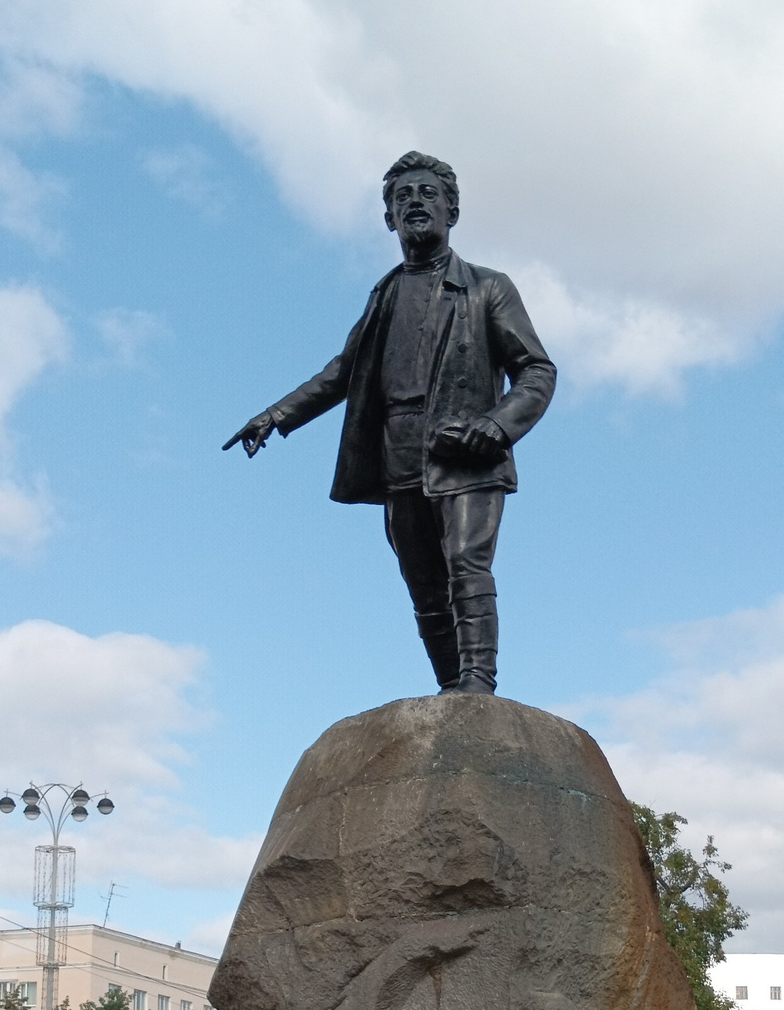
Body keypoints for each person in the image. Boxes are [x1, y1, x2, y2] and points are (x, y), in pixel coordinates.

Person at [225, 151, 556, 695]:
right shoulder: (384, 295)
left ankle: (478, 682)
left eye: (428, 194)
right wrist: (276, 415)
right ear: (388, 220)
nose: (415, 204)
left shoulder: (487, 288)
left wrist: (496, 427)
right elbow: (342, 373)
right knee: (423, 585)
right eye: (403, 198)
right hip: (399, 451)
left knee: (466, 564)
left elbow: (537, 370)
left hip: (465, 455)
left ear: (452, 210)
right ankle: (452, 687)